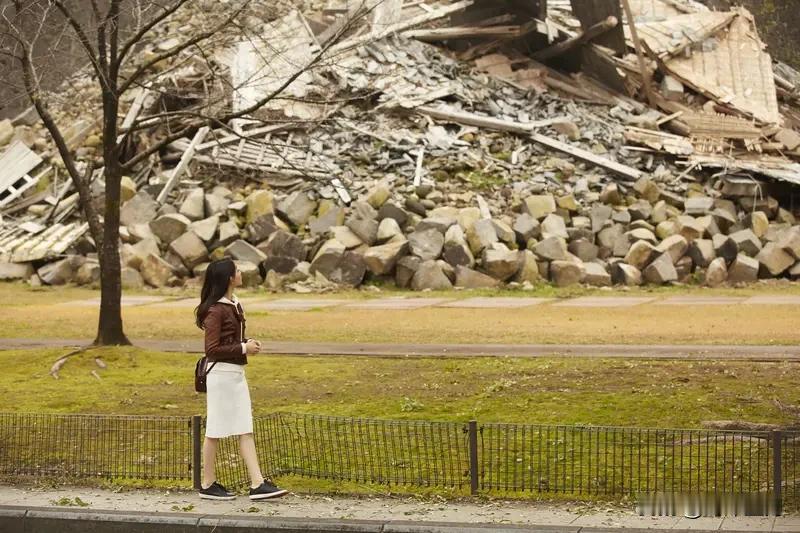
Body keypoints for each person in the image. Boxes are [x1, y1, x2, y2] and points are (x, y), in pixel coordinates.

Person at [194, 258, 288, 501]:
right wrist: (244, 348)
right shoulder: (216, 309)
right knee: (215, 429)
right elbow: (212, 349)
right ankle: (208, 483)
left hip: (234, 374)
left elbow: (230, 341)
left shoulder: (233, 303)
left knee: (244, 426)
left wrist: (247, 344)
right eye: (237, 271)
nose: (241, 273)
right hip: (222, 376)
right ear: (228, 278)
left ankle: (256, 483)